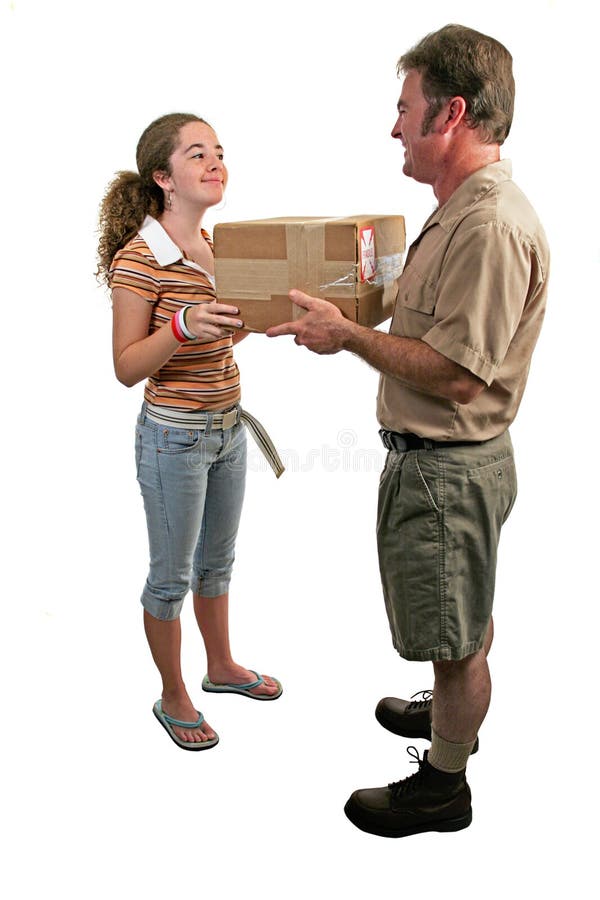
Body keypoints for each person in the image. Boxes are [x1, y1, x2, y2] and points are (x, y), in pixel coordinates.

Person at [267, 25, 548, 835]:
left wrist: (349, 337)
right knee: (461, 614)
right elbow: (418, 314)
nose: (395, 126)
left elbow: (461, 374)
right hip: (444, 467)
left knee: (458, 639)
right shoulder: (455, 211)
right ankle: (447, 715)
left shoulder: (488, 228)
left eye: (406, 109)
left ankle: (444, 787)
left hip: (447, 472)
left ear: (450, 114)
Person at [97, 113, 283, 752]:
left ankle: (221, 666)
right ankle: (173, 695)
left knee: (218, 562)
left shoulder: (218, 247)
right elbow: (126, 367)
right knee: (170, 577)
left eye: (220, 153)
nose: (215, 163)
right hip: (173, 439)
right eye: (197, 154)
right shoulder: (140, 259)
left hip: (230, 430)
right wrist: (179, 328)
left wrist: (251, 322)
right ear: (162, 177)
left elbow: (224, 338)